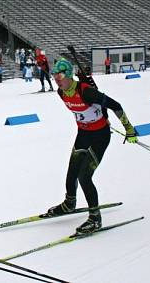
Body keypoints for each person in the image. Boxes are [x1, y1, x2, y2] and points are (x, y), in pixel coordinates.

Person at [47, 59, 138, 234]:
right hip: (83, 133)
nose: (56, 80)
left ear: (67, 75)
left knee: (84, 177)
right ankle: (69, 203)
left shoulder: (86, 92)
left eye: (59, 76)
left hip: (99, 136)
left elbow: (115, 106)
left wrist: (129, 129)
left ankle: (95, 218)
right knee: (72, 170)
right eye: (54, 76)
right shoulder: (61, 92)